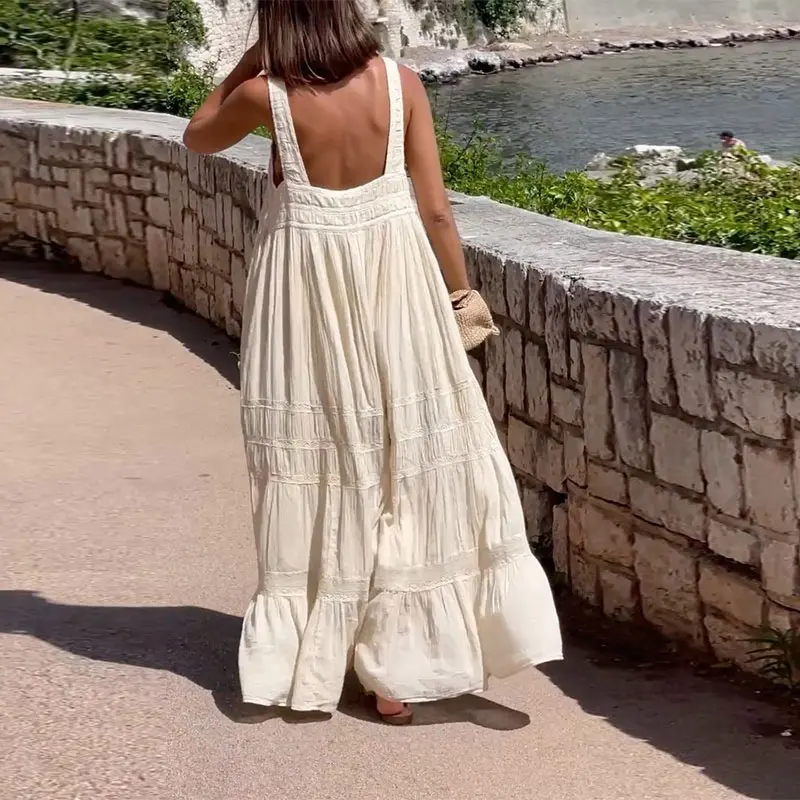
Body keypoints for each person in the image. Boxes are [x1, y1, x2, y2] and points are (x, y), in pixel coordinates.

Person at [183, 0, 561, 725]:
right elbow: (437, 210)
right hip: (401, 293)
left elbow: (198, 136)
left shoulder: (266, 97)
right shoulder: (401, 83)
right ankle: (399, 668)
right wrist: (460, 295)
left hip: (306, 300)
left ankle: (321, 649)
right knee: (406, 463)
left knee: (330, 459)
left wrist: (244, 65)